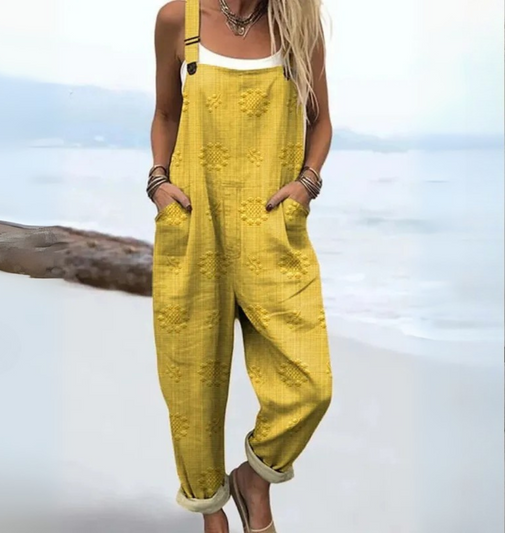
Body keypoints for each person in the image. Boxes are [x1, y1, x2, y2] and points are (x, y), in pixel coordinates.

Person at [147, 1, 333, 531]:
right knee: (191, 386)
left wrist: (307, 184)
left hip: (271, 230)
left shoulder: (298, 25)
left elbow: (320, 122)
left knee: (310, 385)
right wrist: (158, 182)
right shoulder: (178, 20)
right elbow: (166, 114)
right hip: (194, 225)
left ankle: (255, 478)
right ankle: (211, 512)